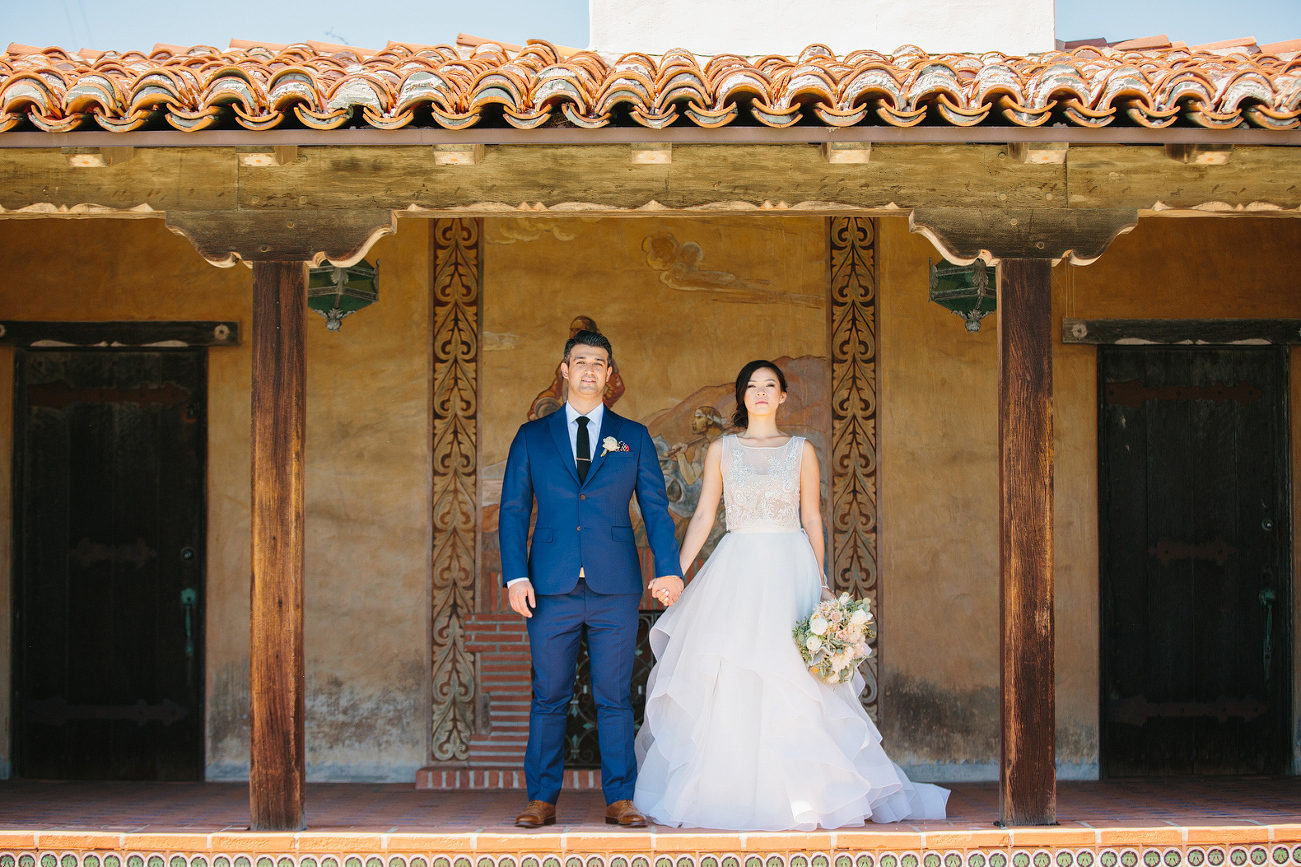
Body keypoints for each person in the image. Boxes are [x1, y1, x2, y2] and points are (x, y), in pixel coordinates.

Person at [634, 360, 949, 831]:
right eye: (752, 386)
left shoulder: (802, 450)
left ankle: (807, 795)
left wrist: (821, 582)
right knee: (732, 671)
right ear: (742, 397)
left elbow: (813, 519)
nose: (760, 393)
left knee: (797, 678)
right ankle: (727, 791)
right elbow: (702, 516)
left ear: (783, 397)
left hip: (790, 568)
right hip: (737, 567)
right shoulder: (721, 449)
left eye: (770, 386)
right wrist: (675, 573)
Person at [500, 329, 684, 829]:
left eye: (598, 363)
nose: (588, 370)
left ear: (609, 375)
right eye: (579, 361)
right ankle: (541, 799)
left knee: (615, 696)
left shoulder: (634, 436)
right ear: (564, 370)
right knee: (550, 694)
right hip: (550, 586)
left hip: (615, 585)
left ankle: (620, 798)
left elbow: (655, 508)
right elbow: (514, 510)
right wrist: (515, 576)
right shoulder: (531, 437)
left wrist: (669, 568)